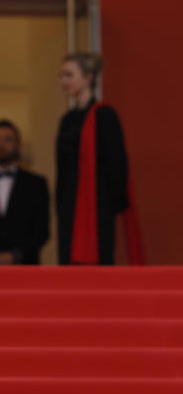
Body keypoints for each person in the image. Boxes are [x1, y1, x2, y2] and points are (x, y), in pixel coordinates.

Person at [56, 52, 142, 264]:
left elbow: (117, 168)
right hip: (70, 206)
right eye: (62, 75)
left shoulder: (105, 115)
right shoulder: (67, 119)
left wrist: (105, 208)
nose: (63, 81)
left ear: (89, 77)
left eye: (69, 75)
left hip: (97, 207)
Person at [0, 119, 49, 265]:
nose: (1, 145)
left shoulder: (36, 184)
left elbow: (42, 230)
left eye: (7, 139)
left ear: (18, 144)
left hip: (26, 268)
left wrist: (16, 255)